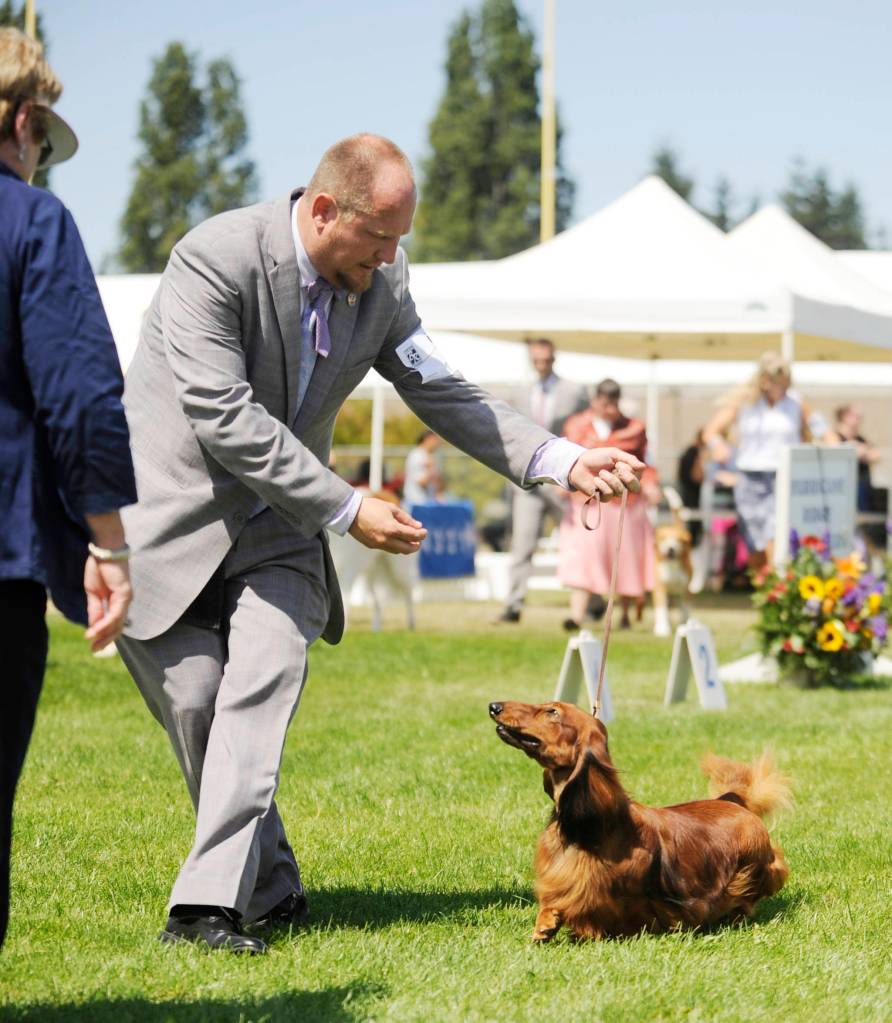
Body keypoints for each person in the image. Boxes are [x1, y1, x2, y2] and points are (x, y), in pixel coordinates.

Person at [115, 134, 644, 955]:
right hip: (166, 520)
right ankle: (271, 881)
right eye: (381, 238)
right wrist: (346, 503)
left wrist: (563, 459)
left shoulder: (382, 281)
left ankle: (203, 910)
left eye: (402, 241)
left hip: (280, 530)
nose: (393, 259)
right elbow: (225, 416)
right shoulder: (214, 260)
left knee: (259, 685)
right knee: (196, 703)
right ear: (325, 210)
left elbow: (438, 386)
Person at [0, 28, 136, 950]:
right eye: (42, 148)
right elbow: (80, 397)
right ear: (22, 123)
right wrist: (109, 544)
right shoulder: (32, 222)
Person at [701, 352, 834, 573]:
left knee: (775, 533)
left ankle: (778, 586)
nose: (781, 385)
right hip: (749, 478)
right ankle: (765, 589)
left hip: (783, 476)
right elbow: (711, 432)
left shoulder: (796, 402)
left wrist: (831, 442)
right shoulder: (745, 403)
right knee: (754, 539)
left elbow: (818, 427)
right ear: (764, 379)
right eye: (775, 380)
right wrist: (718, 446)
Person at [494, 338, 589, 623]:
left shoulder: (574, 392)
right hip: (529, 480)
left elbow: (583, 431)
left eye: (546, 359)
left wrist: (573, 475)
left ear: (553, 358)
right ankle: (513, 604)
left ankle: (592, 600)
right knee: (522, 543)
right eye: (537, 360)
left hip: (565, 481)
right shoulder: (520, 392)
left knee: (582, 542)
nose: (542, 364)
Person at [558, 379, 660, 630]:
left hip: (624, 502)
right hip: (587, 500)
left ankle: (623, 615)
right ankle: (576, 615)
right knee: (583, 557)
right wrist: (561, 480)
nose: (608, 408)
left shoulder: (634, 428)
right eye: (604, 403)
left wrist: (650, 484)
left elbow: (645, 463)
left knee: (624, 559)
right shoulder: (577, 425)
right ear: (595, 401)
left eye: (613, 403)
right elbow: (564, 456)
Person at [402, 429, 444, 507]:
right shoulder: (416, 456)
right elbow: (421, 482)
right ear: (428, 439)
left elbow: (437, 483)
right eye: (436, 440)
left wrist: (439, 495)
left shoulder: (430, 456)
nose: (438, 444)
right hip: (416, 503)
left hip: (427, 503)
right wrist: (430, 469)